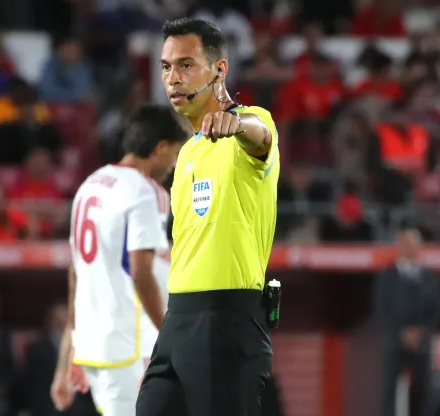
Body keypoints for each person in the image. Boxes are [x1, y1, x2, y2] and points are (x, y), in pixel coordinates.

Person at [136, 18, 280, 416]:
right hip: (177, 321)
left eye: (185, 65)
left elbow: (260, 135)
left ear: (219, 70)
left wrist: (236, 124)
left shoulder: (251, 123)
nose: (172, 78)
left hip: (226, 320)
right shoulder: (187, 153)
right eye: (166, 67)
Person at [50, 105, 187, 416]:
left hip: (92, 346)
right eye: (175, 153)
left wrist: (67, 354)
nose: (174, 164)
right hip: (127, 348)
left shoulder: (90, 185)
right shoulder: (145, 191)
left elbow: (76, 275)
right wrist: (171, 338)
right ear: (161, 148)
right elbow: (141, 272)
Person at [374, 226, 440, 416]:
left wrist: (420, 331)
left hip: (421, 342)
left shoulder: (430, 277)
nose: (409, 248)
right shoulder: (386, 277)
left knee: (422, 391)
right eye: (405, 244)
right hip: (394, 342)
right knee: (389, 390)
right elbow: (381, 308)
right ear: (398, 246)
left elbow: (436, 308)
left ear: (420, 247)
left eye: (413, 244)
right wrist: (401, 332)